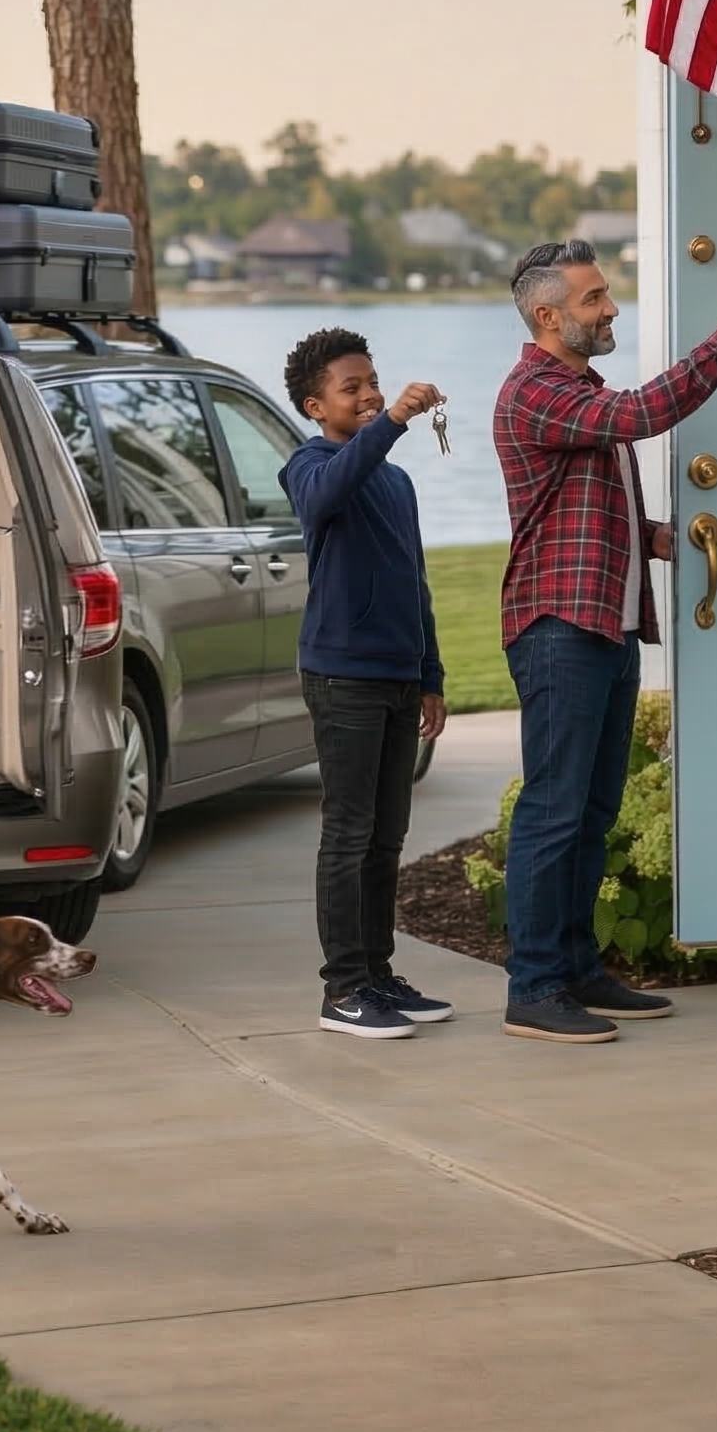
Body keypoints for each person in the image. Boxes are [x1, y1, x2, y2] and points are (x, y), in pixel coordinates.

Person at [494, 239, 717, 1044]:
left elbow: (580, 504)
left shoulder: (574, 388)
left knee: (590, 810)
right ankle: (535, 986)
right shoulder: (534, 391)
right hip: (560, 627)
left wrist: (656, 536)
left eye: (606, 294)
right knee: (554, 811)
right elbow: (641, 415)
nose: (611, 307)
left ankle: (579, 969)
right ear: (549, 316)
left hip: (604, 623)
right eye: (594, 299)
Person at [280, 328, 452, 1040]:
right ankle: (343, 988)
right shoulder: (311, 465)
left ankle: (378, 977)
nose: (369, 392)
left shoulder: (396, 479)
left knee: (386, 839)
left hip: (396, 677)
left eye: (371, 380)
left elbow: (415, 584)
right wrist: (390, 422)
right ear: (316, 406)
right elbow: (328, 492)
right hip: (342, 678)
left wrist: (431, 675)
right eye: (351, 388)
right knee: (348, 836)